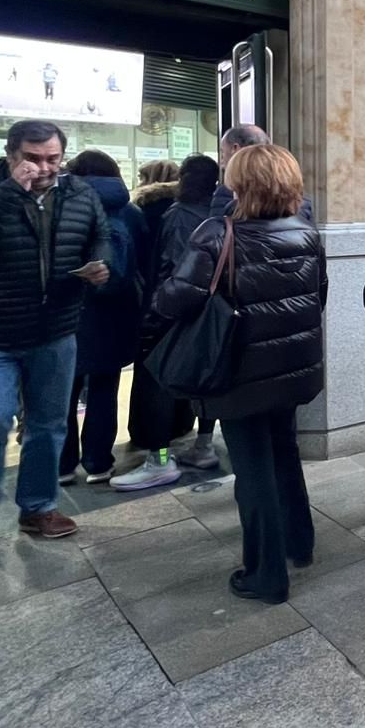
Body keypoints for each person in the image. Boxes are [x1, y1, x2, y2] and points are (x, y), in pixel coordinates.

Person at [0, 120, 112, 559]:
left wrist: (102, 264)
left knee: (49, 426)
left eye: (52, 158)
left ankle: (37, 508)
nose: (44, 167)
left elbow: (100, 235)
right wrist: (11, 191)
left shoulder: (78, 193)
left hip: (54, 331)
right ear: (11, 155)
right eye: (32, 158)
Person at [155, 144, 325, 604]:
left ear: (239, 184)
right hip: (291, 369)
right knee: (284, 454)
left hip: (237, 374)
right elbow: (317, 298)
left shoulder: (218, 233)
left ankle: (266, 575)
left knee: (252, 473)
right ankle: (299, 543)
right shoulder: (306, 232)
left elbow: (176, 298)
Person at [122, 153, 222, 487]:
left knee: (160, 384)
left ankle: (160, 459)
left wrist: (156, 313)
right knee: (206, 381)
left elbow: (175, 269)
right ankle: (205, 445)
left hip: (177, 313)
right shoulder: (221, 211)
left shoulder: (178, 215)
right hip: (212, 311)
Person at [58, 151, 146, 486]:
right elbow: (144, 262)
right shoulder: (130, 211)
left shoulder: (60, 208)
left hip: (67, 313)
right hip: (115, 313)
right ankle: (98, 462)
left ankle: (62, 466)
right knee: (104, 389)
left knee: (63, 392)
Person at [211, 124, 316, 222]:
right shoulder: (301, 203)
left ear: (235, 148)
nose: (221, 162)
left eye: (222, 152)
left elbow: (219, 234)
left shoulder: (229, 194)